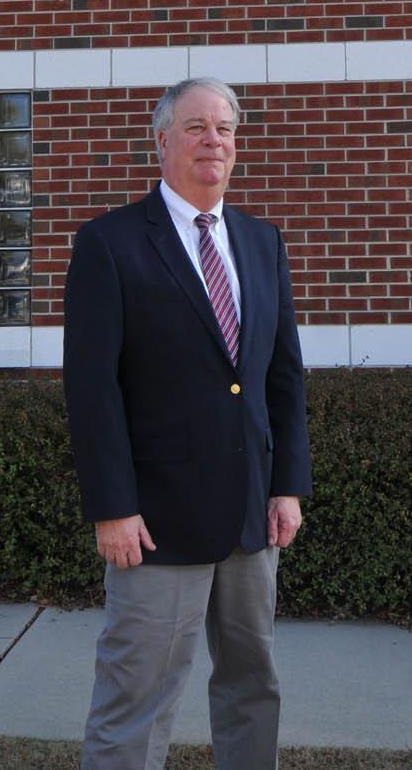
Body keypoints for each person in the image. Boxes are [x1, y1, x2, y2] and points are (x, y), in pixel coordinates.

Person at [63, 77, 311, 770]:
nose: (214, 140)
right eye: (197, 126)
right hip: (155, 525)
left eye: (225, 128)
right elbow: (92, 389)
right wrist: (112, 507)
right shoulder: (109, 243)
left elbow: (282, 375)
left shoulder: (262, 243)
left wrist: (286, 483)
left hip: (250, 518)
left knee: (252, 686)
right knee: (137, 697)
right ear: (163, 140)